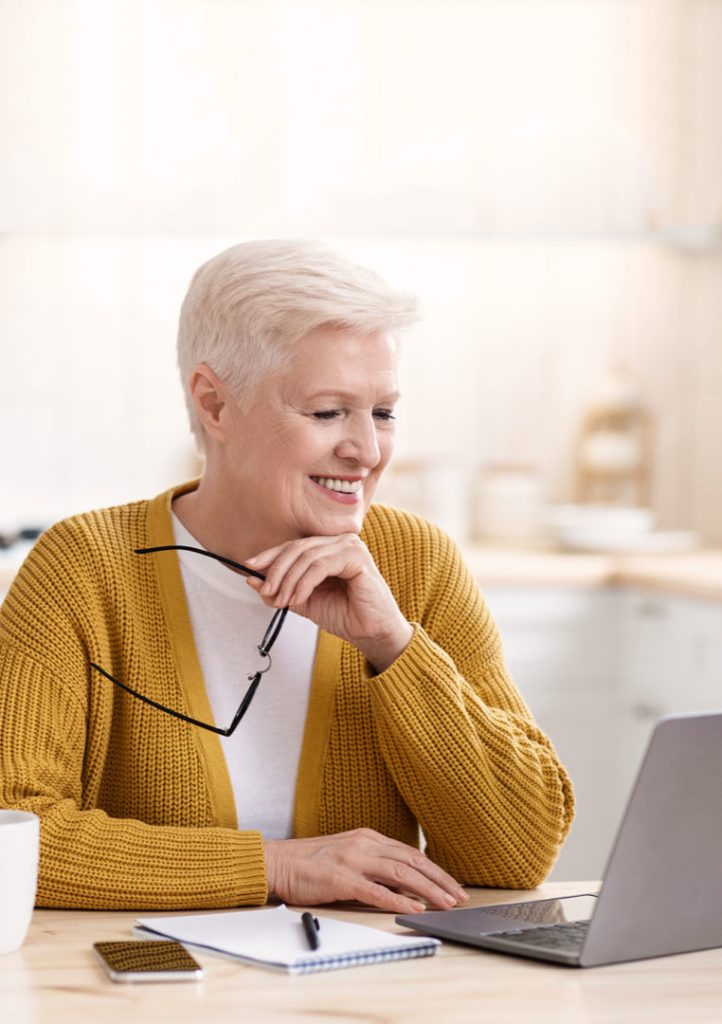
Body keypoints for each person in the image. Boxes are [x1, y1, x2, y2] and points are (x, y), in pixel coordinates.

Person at [0, 240, 574, 913]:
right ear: (214, 405)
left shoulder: (417, 562)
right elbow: (15, 830)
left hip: (369, 1003)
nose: (366, 450)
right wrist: (272, 866)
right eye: (328, 412)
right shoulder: (84, 568)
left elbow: (518, 855)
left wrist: (396, 647)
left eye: (383, 412)